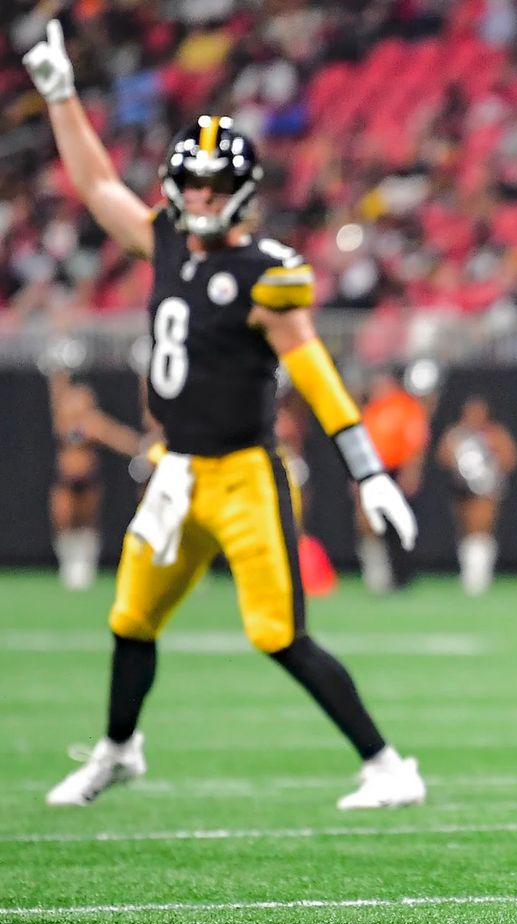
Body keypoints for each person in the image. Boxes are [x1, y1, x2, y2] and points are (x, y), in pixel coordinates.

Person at [26, 20, 425, 810]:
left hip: (245, 474)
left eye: (212, 183)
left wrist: (368, 469)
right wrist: (61, 94)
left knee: (277, 633)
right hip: (177, 469)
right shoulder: (169, 240)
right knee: (131, 617)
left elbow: (313, 372)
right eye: (190, 180)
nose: (198, 195)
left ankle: (389, 767)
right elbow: (98, 185)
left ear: (241, 189)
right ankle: (118, 750)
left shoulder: (265, 274)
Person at [46, 366, 144, 590]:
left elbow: (118, 436)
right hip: (66, 479)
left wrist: (140, 447)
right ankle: (67, 563)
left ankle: (85, 565)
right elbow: (57, 392)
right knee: (64, 518)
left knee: (87, 521)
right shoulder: (63, 421)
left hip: (88, 479)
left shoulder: (94, 424)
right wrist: (58, 371)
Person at [356, 366, 432, 592]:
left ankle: (402, 577)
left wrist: (411, 472)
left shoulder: (404, 407)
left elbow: (416, 442)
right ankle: (377, 577)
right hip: (374, 472)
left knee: (398, 524)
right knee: (371, 523)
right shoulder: (371, 410)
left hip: (397, 471)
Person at [436, 395, 517, 596]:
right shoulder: (456, 434)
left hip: (487, 488)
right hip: (462, 488)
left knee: (482, 528)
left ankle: (479, 577)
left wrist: (489, 474)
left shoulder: (495, 434)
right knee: (465, 530)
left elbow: (509, 458)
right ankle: (469, 573)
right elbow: (444, 456)